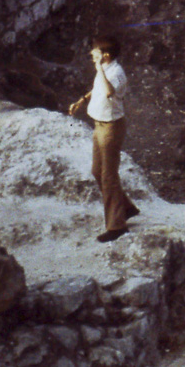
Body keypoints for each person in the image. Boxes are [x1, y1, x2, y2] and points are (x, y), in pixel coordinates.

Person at [68, 35, 139, 242]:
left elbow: (108, 91)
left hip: (111, 128)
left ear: (105, 56)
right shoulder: (106, 70)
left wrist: (99, 69)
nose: (91, 54)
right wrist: (81, 101)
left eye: (95, 52)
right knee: (97, 171)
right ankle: (125, 208)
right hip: (99, 126)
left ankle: (117, 226)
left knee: (108, 176)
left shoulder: (117, 73)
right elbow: (97, 89)